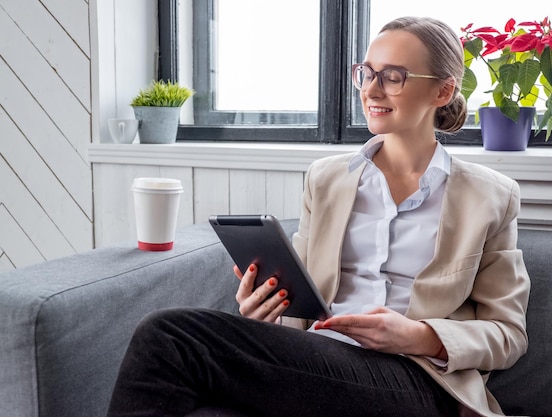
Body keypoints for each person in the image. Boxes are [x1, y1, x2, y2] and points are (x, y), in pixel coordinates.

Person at [107, 16, 530, 417]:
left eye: (394, 76)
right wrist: (265, 311)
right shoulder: (326, 179)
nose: (372, 89)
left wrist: (418, 335)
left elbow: (508, 335)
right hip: (318, 362)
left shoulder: (489, 196)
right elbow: (301, 308)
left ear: (442, 91)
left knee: (168, 337)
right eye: (367, 72)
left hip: (415, 378)